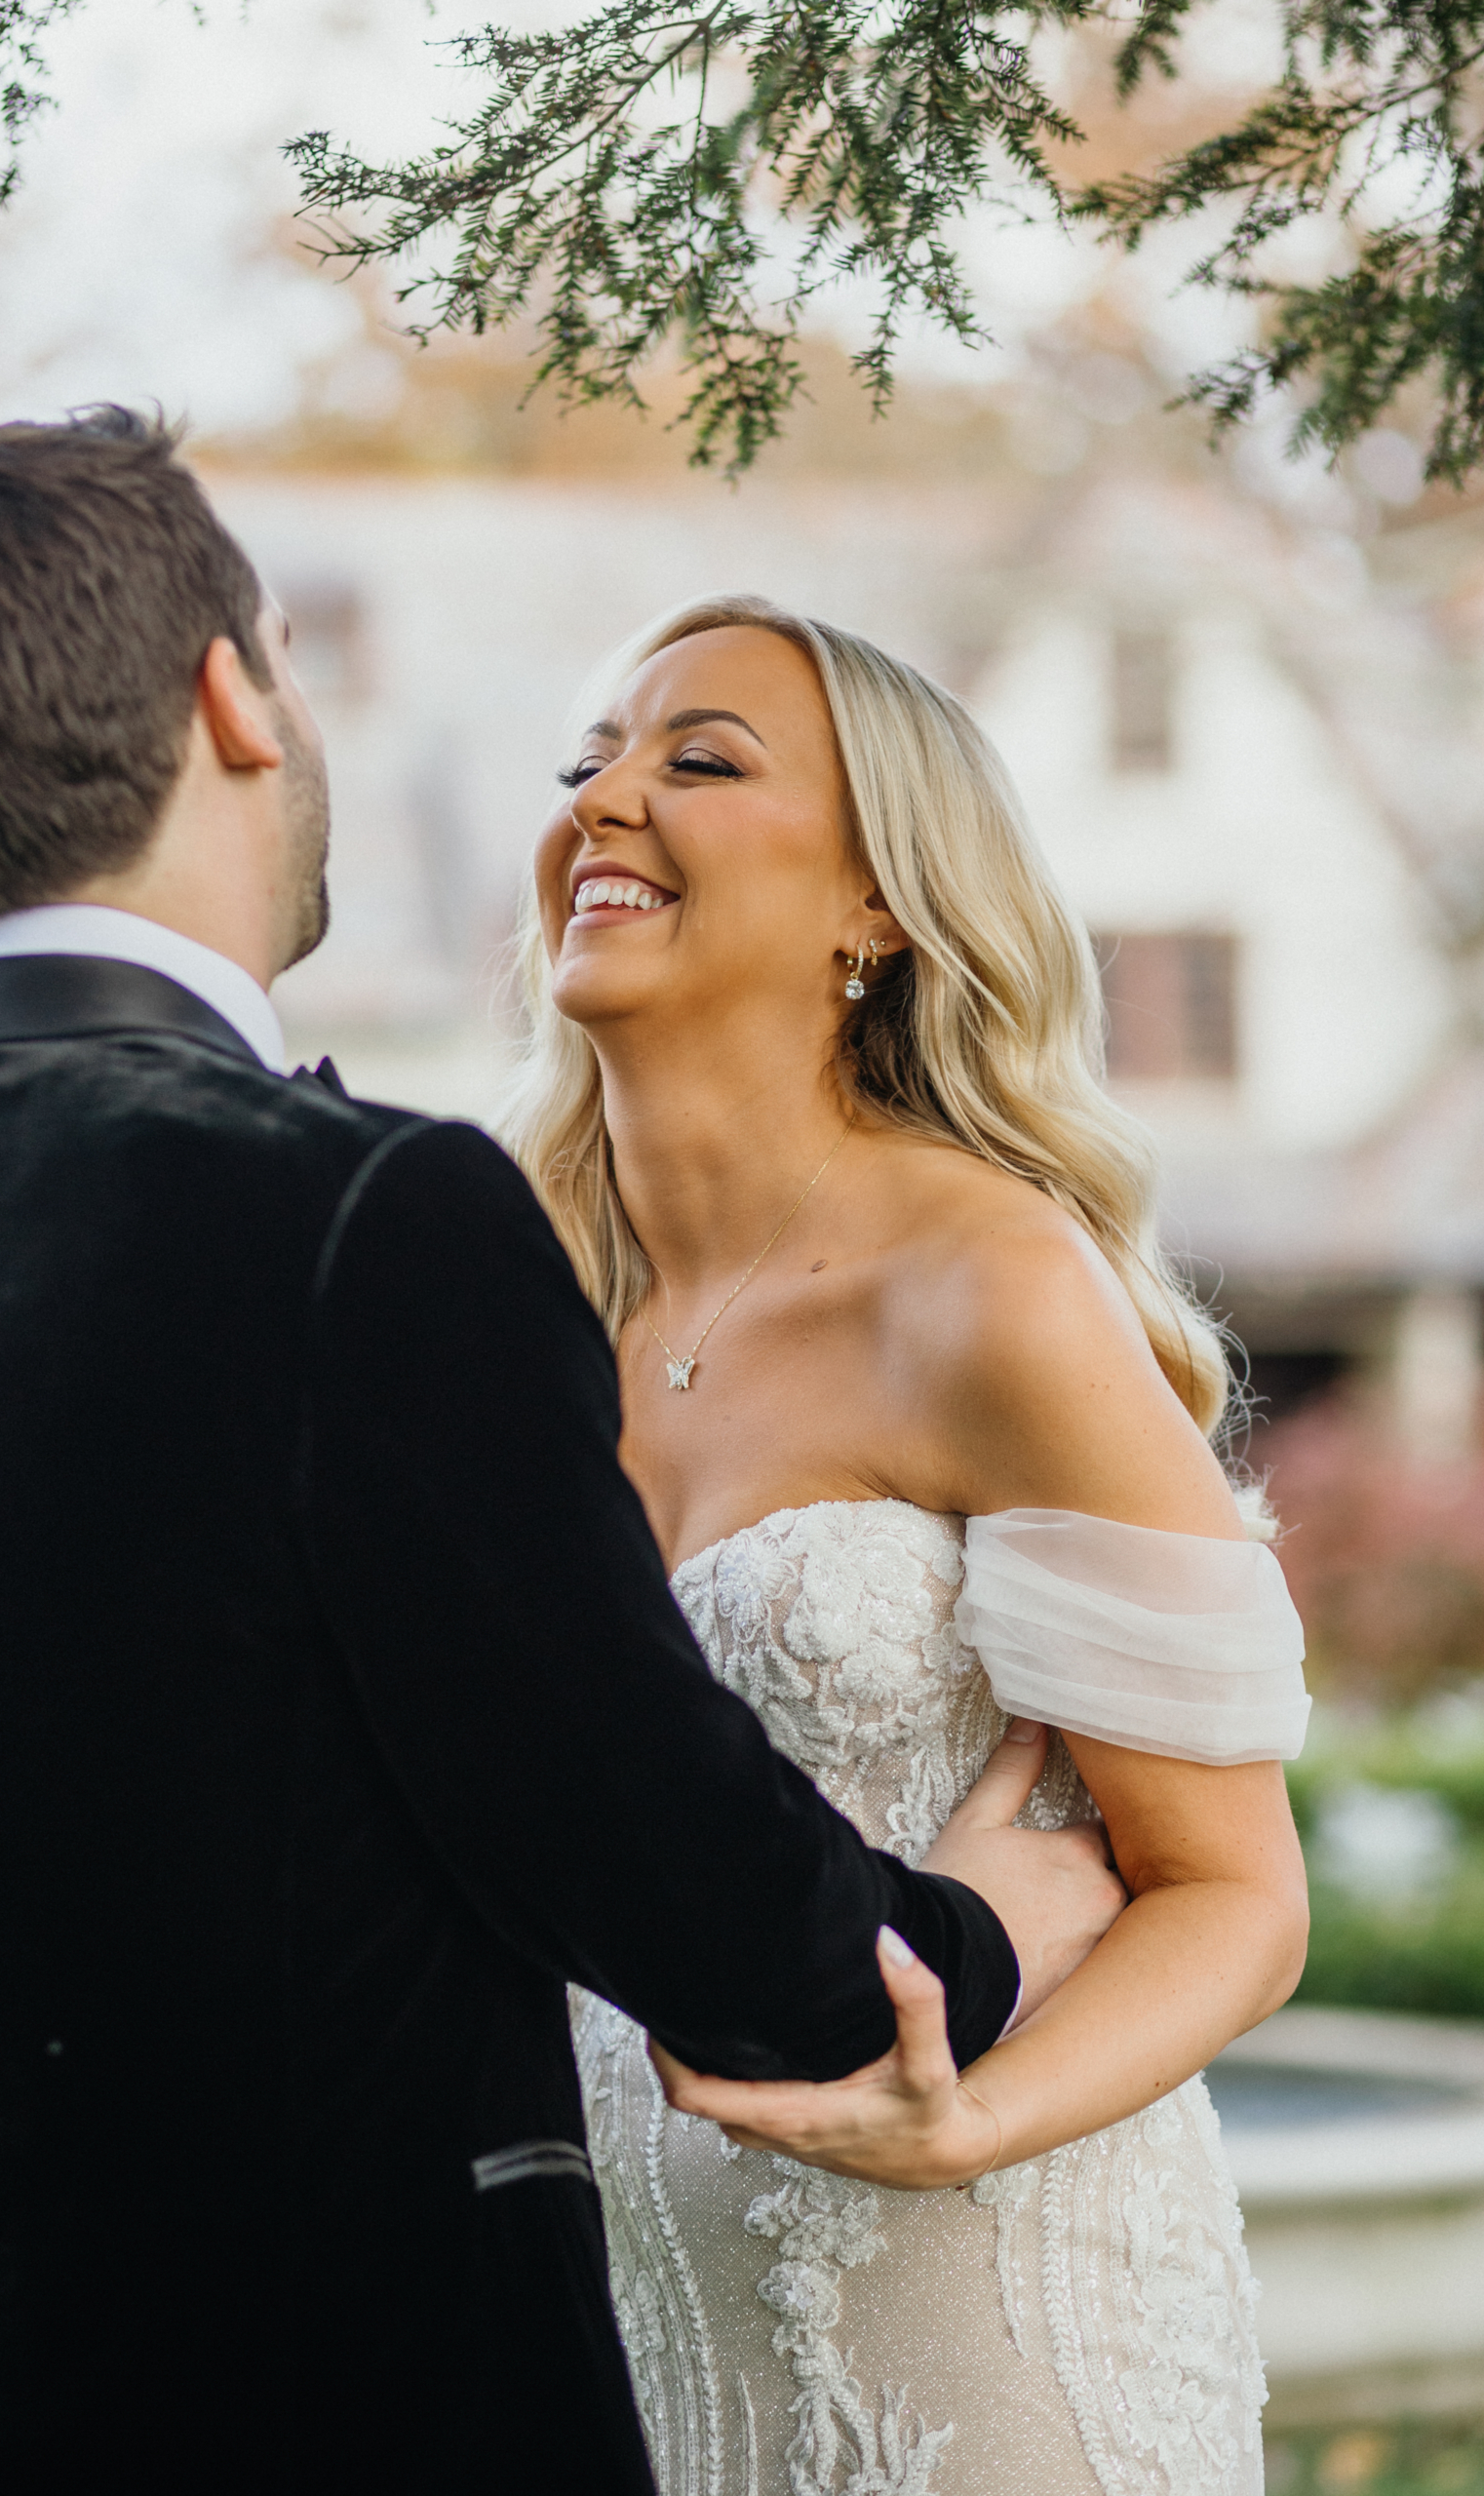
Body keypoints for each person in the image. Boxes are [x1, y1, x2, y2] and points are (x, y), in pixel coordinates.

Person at [0, 416, 1125, 2495]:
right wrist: (987, 1916)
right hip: (323, 2406)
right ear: (232, 696)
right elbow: (678, 1878)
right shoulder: (359, 1217)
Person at [512, 595, 1313, 2496]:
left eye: (696, 760)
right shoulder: (510, 1319)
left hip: (991, 2334)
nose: (605, 797)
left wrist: (967, 2117)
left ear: (878, 904)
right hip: (629, 2355)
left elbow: (1230, 1889)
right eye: (587, 763)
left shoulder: (987, 1288)